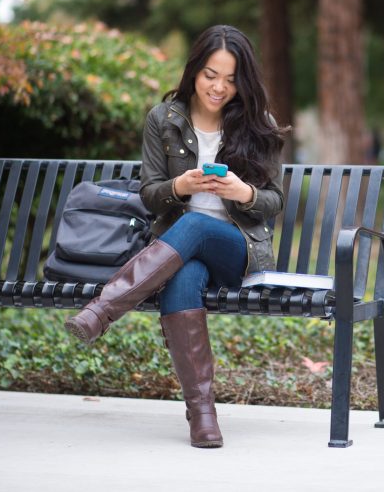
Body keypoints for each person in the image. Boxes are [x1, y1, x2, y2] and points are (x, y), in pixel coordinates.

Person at [64, 25, 287, 449]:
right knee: (184, 277)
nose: (219, 87)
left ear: (244, 80)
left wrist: (244, 193)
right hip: (181, 255)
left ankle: (103, 310)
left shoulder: (258, 124)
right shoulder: (162, 119)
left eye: (231, 78)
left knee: (199, 226)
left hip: (239, 251)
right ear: (193, 72)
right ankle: (202, 415)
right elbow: (150, 196)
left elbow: (274, 201)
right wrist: (181, 186)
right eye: (210, 75)